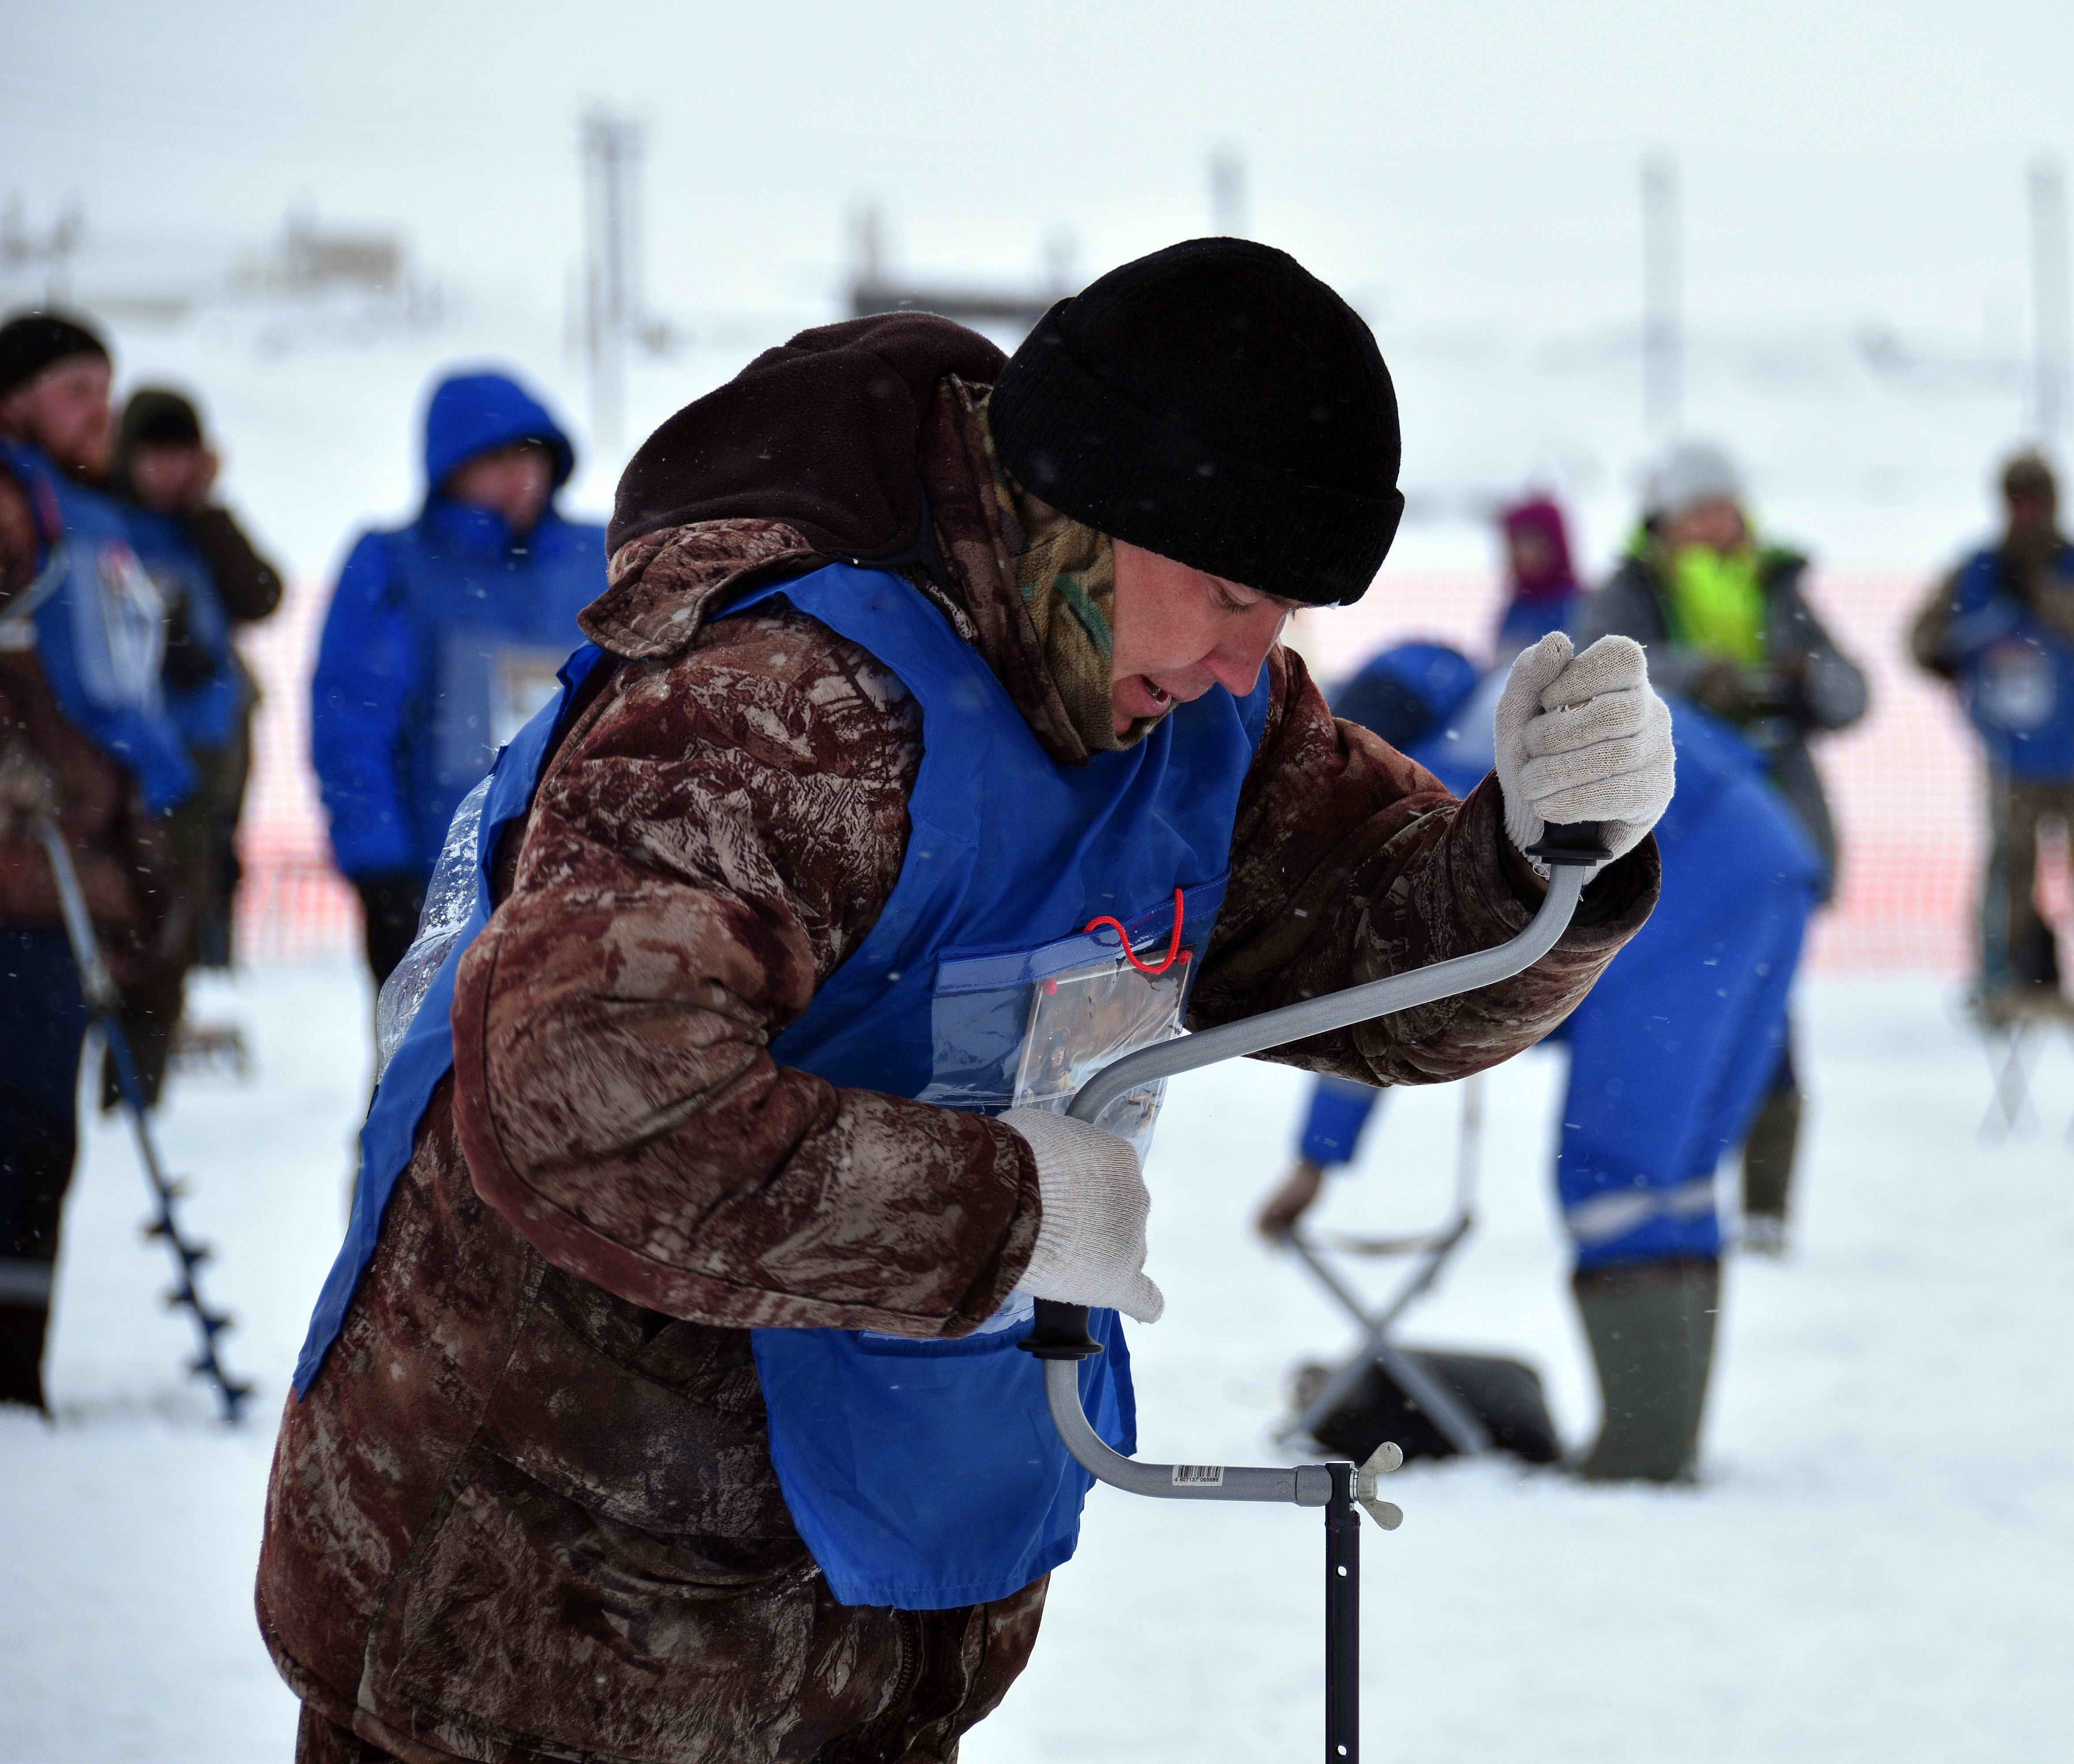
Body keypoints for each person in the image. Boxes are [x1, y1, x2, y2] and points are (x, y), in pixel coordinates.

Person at [259, 240, 1674, 1764]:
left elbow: (1383, 963)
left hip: (860, 1631)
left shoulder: (1199, 722)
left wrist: (1543, 857)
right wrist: (1004, 1215)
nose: (1244, 660)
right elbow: (591, 1111)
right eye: (1227, 591)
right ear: (1093, 506)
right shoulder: (780, 710)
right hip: (547, 1632)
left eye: (1286, 614)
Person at [1259, 638, 1818, 1482]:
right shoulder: (1514, 704)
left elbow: (1384, 980)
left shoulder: (1448, 772)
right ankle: (1659, 1439)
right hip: (1769, 855)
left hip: (1691, 888)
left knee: (1616, 1174)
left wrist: (1318, 1156)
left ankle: (1643, 1456)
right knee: (1681, 1171)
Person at [1584, 438, 1864, 1255]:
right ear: (1666, 518)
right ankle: (1673, 1185)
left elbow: (1853, 691)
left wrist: (1804, 679)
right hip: (1672, 843)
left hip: (1777, 843)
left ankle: (1767, 1206)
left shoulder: (1781, 589)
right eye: (1701, 509)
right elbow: (1600, 674)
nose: (1717, 525)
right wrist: (1690, 678)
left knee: (1769, 1024)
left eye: (1727, 507)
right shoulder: (1630, 592)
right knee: (1675, 1019)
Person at [0, 311, 187, 1413]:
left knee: (34, 1129)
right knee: (22, 1126)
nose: (99, 416)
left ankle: (17, 1361)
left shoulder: (84, 516)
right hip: (25, 867)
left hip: (65, 860)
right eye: (76, 390)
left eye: (106, 392)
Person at [310, 368, 605, 989]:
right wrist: (377, 867)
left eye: (534, 455)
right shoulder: (396, 565)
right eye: (497, 457)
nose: (521, 475)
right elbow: (352, 720)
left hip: (581, 882)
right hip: (438, 884)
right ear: (450, 467)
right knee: (436, 1077)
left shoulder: (595, 561)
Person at [1910, 451, 2074, 1035]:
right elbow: (1924, 638)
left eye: (2038, 500)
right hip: (2012, 752)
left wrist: (2036, 591)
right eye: (2019, 501)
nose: (2030, 513)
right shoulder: (1978, 571)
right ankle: (2001, 987)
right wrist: (1951, 651)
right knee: (2009, 875)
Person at [115, 386, 283, 976]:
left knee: (200, 878)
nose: (168, 470)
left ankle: (198, 967)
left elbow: (262, 594)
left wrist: (206, 513)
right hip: (131, 744)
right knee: (137, 896)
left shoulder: (204, 527)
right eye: (154, 454)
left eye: (181, 453)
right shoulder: (106, 524)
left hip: (211, 740)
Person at [1494, 493, 1584, 656]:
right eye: (1515, 543)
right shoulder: (1516, 609)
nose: (1521, 553)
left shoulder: (1581, 607)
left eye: (1531, 542)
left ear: (1556, 544)